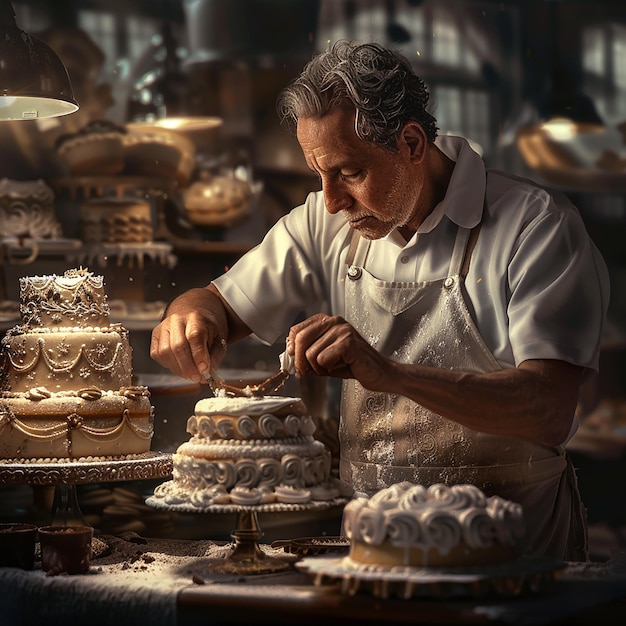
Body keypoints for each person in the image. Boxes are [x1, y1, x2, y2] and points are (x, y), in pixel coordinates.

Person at [151, 41, 610, 561]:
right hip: (372, 554)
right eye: (317, 175)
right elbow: (216, 303)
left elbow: (548, 408)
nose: (330, 199)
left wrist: (388, 374)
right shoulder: (325, 221)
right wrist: (187, 316)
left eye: (348, 173)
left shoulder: (537, 226)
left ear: (412, 143)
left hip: (517, 557)